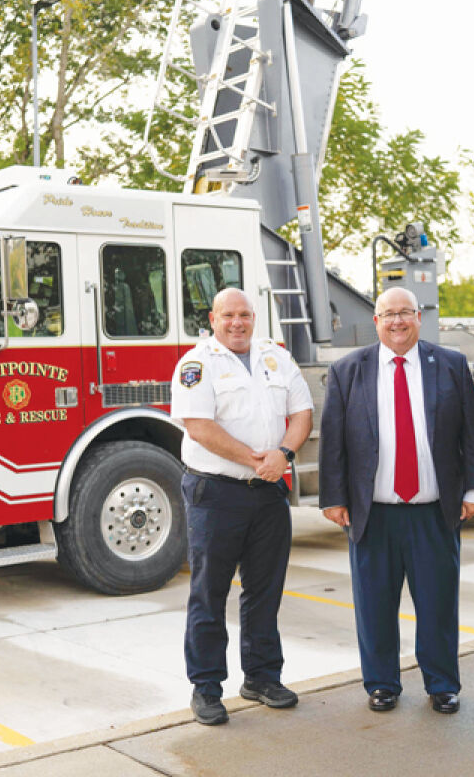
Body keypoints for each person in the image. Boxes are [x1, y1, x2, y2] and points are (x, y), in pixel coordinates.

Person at [319, 286, 474, 715]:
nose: (397, 321)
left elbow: (472, 433)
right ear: (375, 322)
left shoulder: (450, 364)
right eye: (388, 314)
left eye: (405, 313)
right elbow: (333, 441)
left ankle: (442, 684)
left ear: (419, 317)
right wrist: (333, 497)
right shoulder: (348, 371)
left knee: (437, 604)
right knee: (375, 605)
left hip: (434, 511)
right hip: (372, 512)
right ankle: (381, 684)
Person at [170, 287, 314, 726]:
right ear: (213, 319)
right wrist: (255, 459)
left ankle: (263, 677)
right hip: (216, 493)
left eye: (245, 315)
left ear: (255, 318)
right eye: (228, 315)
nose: (238, 323)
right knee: (210, 594)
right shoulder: (197, 364)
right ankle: (207, 688)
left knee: (265, 591)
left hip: (268, 492)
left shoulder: (276, 357)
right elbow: (198, 427)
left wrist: (283, 455)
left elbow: (303, 412)